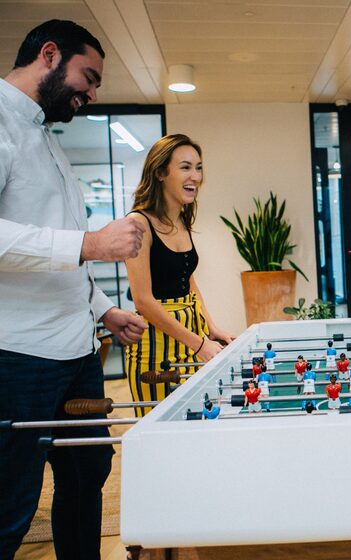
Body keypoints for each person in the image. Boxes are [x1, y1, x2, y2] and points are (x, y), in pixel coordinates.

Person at [0, 20, 148, 560]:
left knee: (86, 482)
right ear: (49, 55)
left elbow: (60, 254)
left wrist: (104, 309)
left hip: (78, 353)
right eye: (89, 77)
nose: (92, 91)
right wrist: (89, 242)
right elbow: (69, 245)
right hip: (18, 358)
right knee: (12, 503)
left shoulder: (48, 141)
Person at [124, 134, 235, 416]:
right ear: (160, 172)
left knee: (194, 422)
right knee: (161, 431)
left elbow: (189, 282)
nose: (195, 176)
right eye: (185, 167)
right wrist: (199, 344)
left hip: (191, 335)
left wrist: (210, 328)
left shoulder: (182, 219)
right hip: (155, 346)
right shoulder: (138, 223)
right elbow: (143, 301)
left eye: (198, 167)